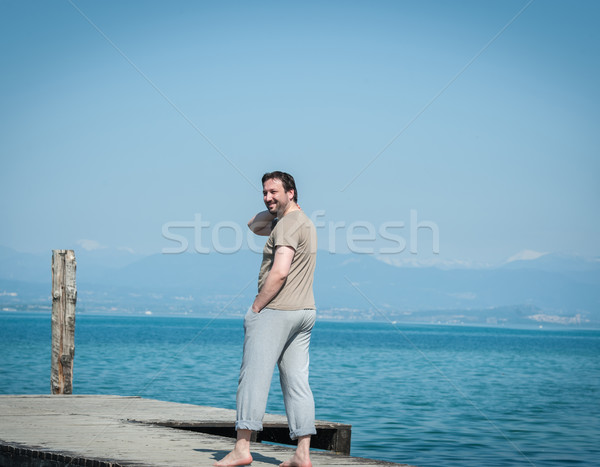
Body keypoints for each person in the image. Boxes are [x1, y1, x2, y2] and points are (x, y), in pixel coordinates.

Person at [214, 171, 317, 467]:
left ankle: (242, 448)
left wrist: (257, 307)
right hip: (305, 312)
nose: (267, 197)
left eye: (274, 192)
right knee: (298, 383)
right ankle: (302, 453)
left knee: (253, 379)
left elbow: (280, 271)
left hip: (276, 312)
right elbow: (254, 225)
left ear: (292, 192)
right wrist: (277, 207)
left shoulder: (286, 226)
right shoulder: (303, 222)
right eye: (264, 193)